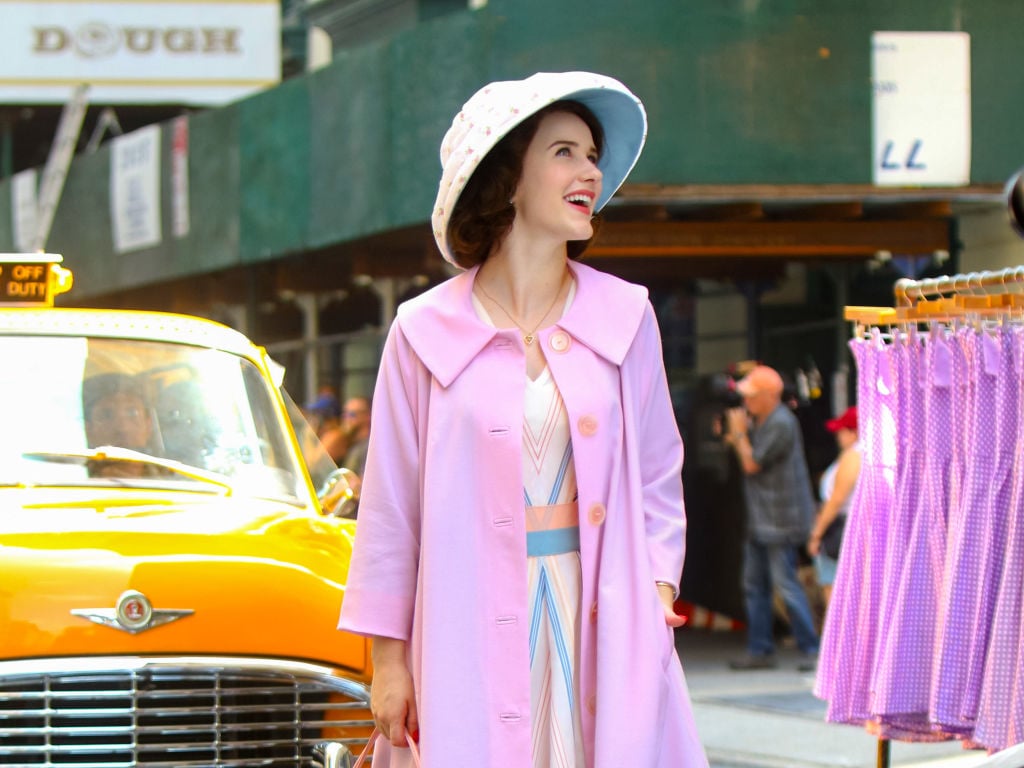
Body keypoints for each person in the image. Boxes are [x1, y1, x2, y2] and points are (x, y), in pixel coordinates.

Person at [338, 71, 707, 767]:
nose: (590, 172)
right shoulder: (423, 332)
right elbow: (389, 513)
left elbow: (660, 475)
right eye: (564, 152)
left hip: (604, 624)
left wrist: (656, 596)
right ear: (507, 175)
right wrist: (388, 664)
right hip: (466, 622)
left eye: (593, 155)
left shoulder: (627, 318)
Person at [723, 364, 820, 671]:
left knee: (785, 584)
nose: (746, 402)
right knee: (754, 585)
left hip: (781, 518)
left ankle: (814, 650)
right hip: (760, 517)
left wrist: (738, 433)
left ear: (769, 395)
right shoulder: (762, 421)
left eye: (752, 396)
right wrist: (737, 436)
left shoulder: (781, 422)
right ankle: (760, 649)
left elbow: (751, 463)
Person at [807, 405, 860, 610]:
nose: (838, 436)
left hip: (839, 529)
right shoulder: (861, 454)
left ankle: (837, 641)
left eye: (842, 430)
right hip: (846, 528)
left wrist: (816, 534)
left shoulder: (854, 456)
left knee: (834, 592)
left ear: (854, 431)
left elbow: (836, 500)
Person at [83, 372, 155, 478]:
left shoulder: (177, 483)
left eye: (132, 413)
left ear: (148, 426)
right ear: (89, 431)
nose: (123, 428)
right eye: (107, 415)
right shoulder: (73, 484)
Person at [339, 395, 371, 476]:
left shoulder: (369, 448)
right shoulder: (352, 444)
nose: (345, 418)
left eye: (352, 414)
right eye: (344, 413)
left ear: (367, 416)